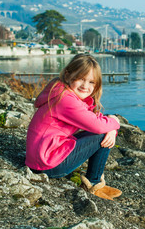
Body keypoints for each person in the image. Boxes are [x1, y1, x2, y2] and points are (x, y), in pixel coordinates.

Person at [25, 54, 122, 200]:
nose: (85, 86)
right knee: (102, 134)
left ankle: (94, 181)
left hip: (41, 157)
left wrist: (110, 124)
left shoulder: (59, 89)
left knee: (105, 127)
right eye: (81, 79)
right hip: (47, 165)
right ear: (68, 75)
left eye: (91, 82)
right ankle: (94, 184)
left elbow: (92, 119)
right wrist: (115, 123)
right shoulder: (65, 100)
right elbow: (97, 126)